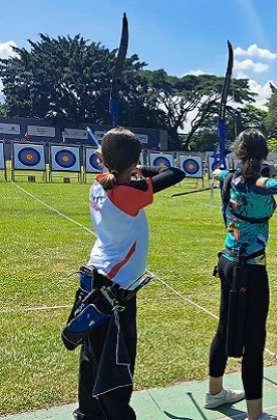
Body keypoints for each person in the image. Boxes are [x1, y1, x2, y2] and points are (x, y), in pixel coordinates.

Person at [74, 128, 185, 419]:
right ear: (134, 160)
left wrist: (125, 167)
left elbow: (114, 173)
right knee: (116, 363)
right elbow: (173, 172)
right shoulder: (127, 194)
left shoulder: (100, 184)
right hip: (116, 289)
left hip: (95, 278)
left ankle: (88, 412)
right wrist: (138, 169)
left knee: (93, 354)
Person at [206, 129, 277, 420]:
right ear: (263, 154)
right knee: (254, 340)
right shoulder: (260, 183)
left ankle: (215, 392)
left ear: (239, 151)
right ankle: (255, 415)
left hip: (228, 263)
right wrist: (274, 165)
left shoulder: (229, 178)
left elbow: (215, 170)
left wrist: (228, 164)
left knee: (224, 328)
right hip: (252, 269)